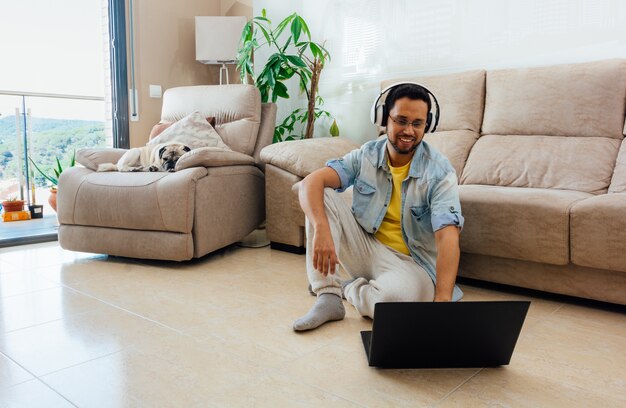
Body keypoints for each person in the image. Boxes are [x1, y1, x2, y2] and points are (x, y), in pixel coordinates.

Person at [293, 83, 464, 332]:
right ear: (384, 119)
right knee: (323, 194)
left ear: (428, 125)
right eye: (401, 120)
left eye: (417, 123)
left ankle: (347, 287)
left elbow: (448, 236)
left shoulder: (439, 172)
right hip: (365, 246)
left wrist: (443, 303)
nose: (409, 130)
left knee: (393, 308)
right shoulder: (366, 155)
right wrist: (321, 227)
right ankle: (328, 297)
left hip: (410, 263)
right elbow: (311, 182)